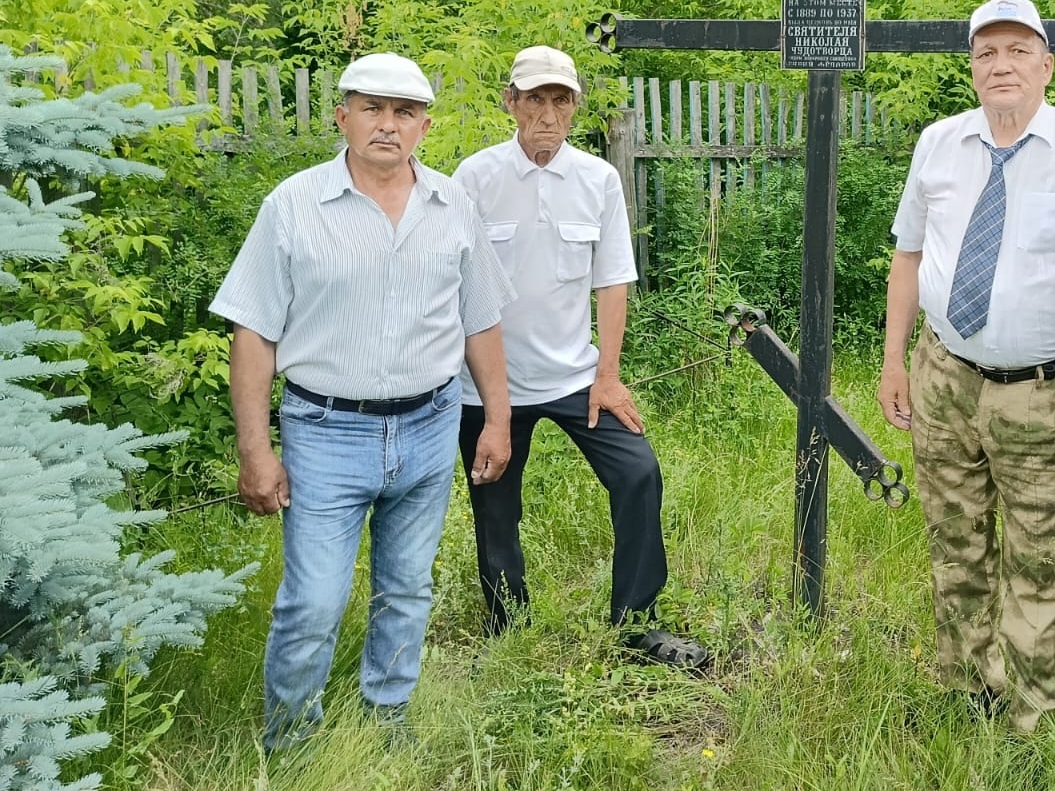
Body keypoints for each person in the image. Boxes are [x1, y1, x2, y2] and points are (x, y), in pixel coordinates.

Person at [211, 52, 515, 750]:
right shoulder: (293, 206)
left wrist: (497, 420)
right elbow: (253, 332)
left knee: (407, 589)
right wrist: (256, 451)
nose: (387, 125)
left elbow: (481, 321)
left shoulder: (453, 207)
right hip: (325, 432)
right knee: (312, 603)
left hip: (430, 426)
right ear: (341, 117)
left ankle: (387, 721)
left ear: (424, 127)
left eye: (404, 112)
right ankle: (292, 744)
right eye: (371, 109)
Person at [877, 0, 1055, 732]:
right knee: (954, 541)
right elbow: (908, 256)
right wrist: (895, 361)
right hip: (945, 376)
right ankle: (967, 689)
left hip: (1044, 391)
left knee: (1039, 557)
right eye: (986, 52)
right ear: (971, 67)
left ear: (1047, 66)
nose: (1002, 65)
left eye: (1019, 50)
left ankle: (1029, 717)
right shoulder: (939, 144)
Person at [451, 45, 706, 666]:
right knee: (494, 501)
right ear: (510, 103)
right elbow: (459, 287)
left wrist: (607, 376)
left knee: (638, 472)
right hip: (488, 384)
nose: (548, 114)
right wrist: (492, 407)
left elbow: (612, 280)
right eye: (535, 99)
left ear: (575, 107)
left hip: (574, 375)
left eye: (560, 100)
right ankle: (507, 624)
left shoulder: (598, 179)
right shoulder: (474, 178)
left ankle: (636, 623)